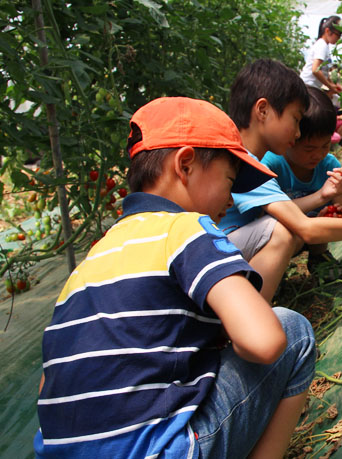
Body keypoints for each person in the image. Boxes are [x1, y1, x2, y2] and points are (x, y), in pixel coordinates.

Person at [34, 97, 316, 459]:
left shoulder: (93, 259)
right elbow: (264, 341)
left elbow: (48, 384)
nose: (230, 200)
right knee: (292, 330)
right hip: (159, 453)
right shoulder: (185, 228)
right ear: (185, 164)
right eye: (230, 180)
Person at [221, 59, 342, 302]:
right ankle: (248, 322)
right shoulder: (247, 162)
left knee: (287, 227)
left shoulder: (245, 157)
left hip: (226, 251)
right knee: (283, 230)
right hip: (219, 257)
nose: (296, 133)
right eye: (295, 120)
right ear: (262, 111)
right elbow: (305, 229)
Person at [261, 86, 342, 269]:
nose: (318, 155)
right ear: (292, 139)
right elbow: (265, 215)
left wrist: (335, 215)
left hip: (311, 233)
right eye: (309, 149)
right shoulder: (270, 165)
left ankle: (318, 256)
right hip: (278, 235)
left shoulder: (330, 166)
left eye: (325, 146)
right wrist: (321, 197)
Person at [299, 15, 342, 97]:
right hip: (308, 86)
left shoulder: (324, 45)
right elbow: (315, 69)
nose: (339, 38)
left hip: (310, 87)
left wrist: (332, 84)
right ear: (327, 31)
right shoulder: (322, 45)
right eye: (338, 34)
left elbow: (323, 71)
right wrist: (330, 86)